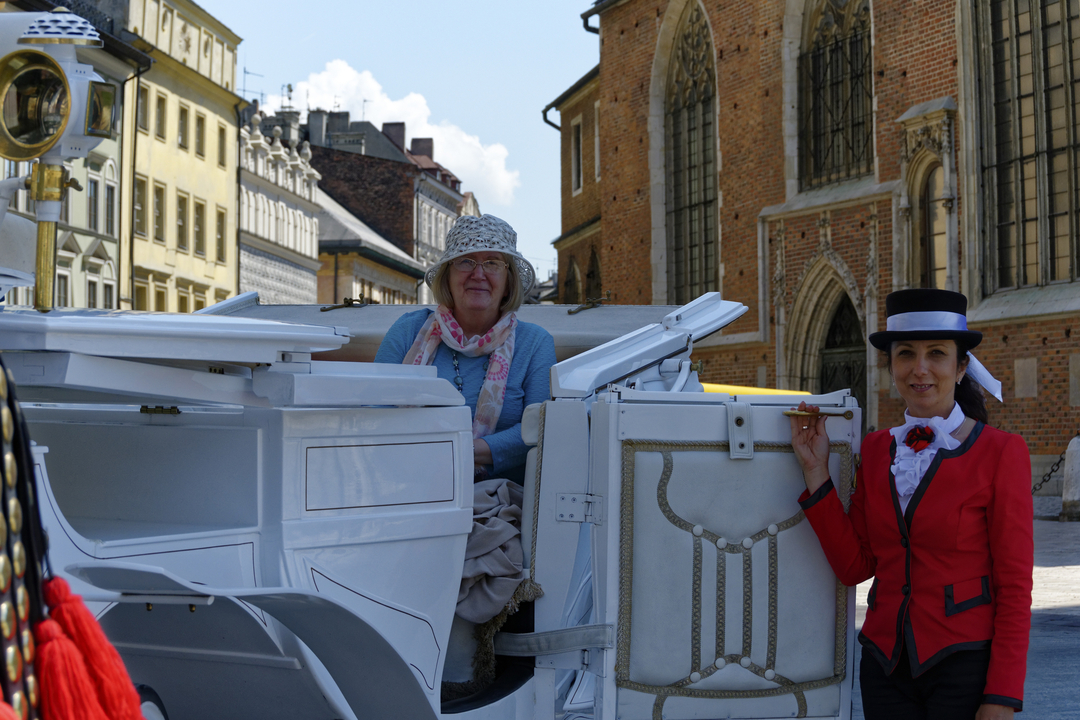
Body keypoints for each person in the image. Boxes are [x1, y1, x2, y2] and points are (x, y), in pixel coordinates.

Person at [789, 289, 1032, 720]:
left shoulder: (1002, 452)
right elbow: (855, 566)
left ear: (961, 367)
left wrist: (1003, 696)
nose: (920, 369)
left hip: (965, 665)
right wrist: (816, 472)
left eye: (936, 354)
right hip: (885, 667)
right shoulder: (877, 448)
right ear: (891, 368)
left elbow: (1014, 588)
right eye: (906, 355)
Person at [375, 214, 556, 626]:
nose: (478, 274)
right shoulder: (408, 332)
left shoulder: (533, 344)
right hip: (404, 488)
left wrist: (458, 453)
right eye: (466, 262)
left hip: (496, 497)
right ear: (448, 276)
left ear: (508, 280)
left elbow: (538, 429)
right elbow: (373, 412)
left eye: (492, 263)